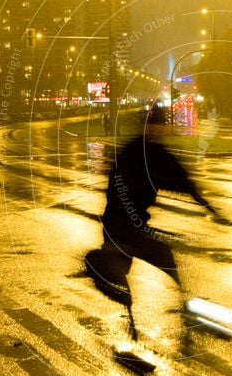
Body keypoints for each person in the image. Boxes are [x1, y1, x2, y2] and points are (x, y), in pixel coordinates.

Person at [85, 105, 219, 341]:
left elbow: (179, 178)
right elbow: (120, 189)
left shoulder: (153, 153)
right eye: (158, 126)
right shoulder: (135, 153)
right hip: (122, 226)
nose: (161, 130)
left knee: (165, 261)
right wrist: (128, 221)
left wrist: (202, 201)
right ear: (150, 127)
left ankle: (170, 317)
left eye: (163, 126)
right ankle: (131, 323)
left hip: (131, 225)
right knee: (122, 273)